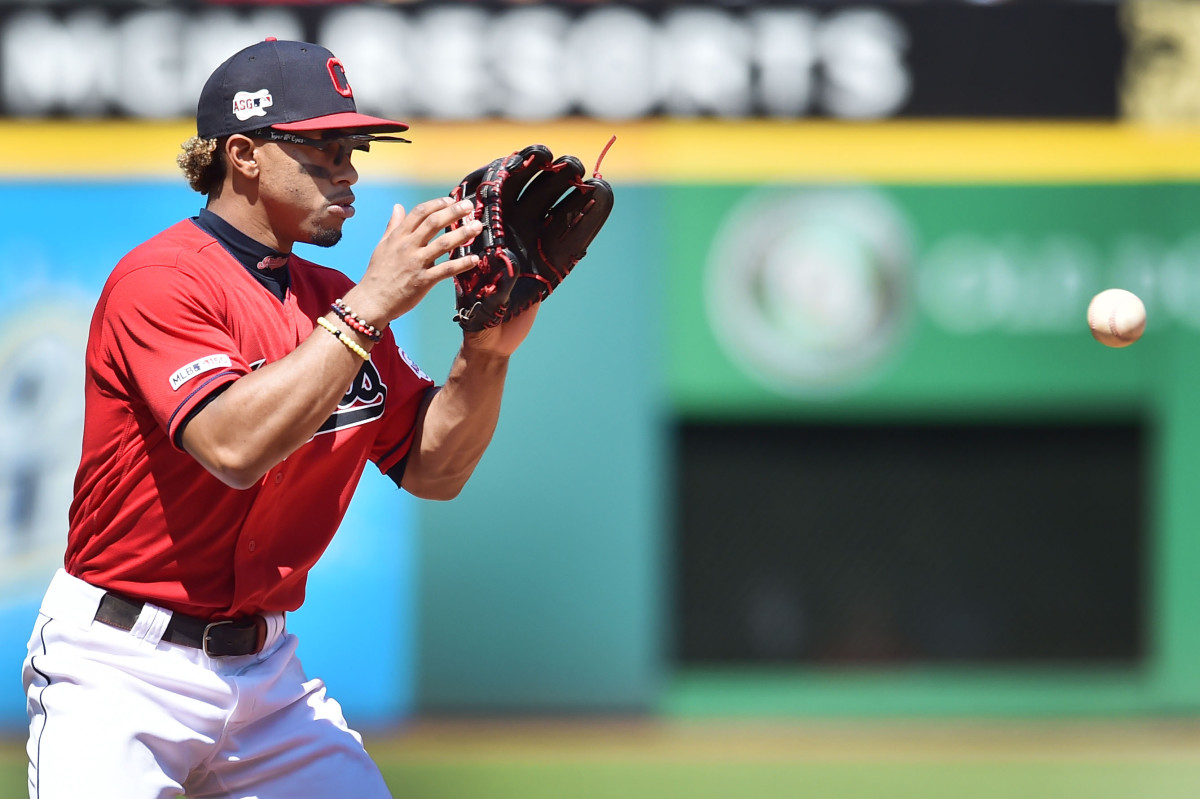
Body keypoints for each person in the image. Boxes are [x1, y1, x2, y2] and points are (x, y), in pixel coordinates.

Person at [21, 38, 537, 798]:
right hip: (119, 665)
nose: (349, 169)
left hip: (266, 675)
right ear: (244, 155)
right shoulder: (161, 280)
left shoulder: (333, 299)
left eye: (352, 148)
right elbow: (233, 444)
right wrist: (371, 303)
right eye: (323, 148)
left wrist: (486, 353)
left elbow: (434, 467)